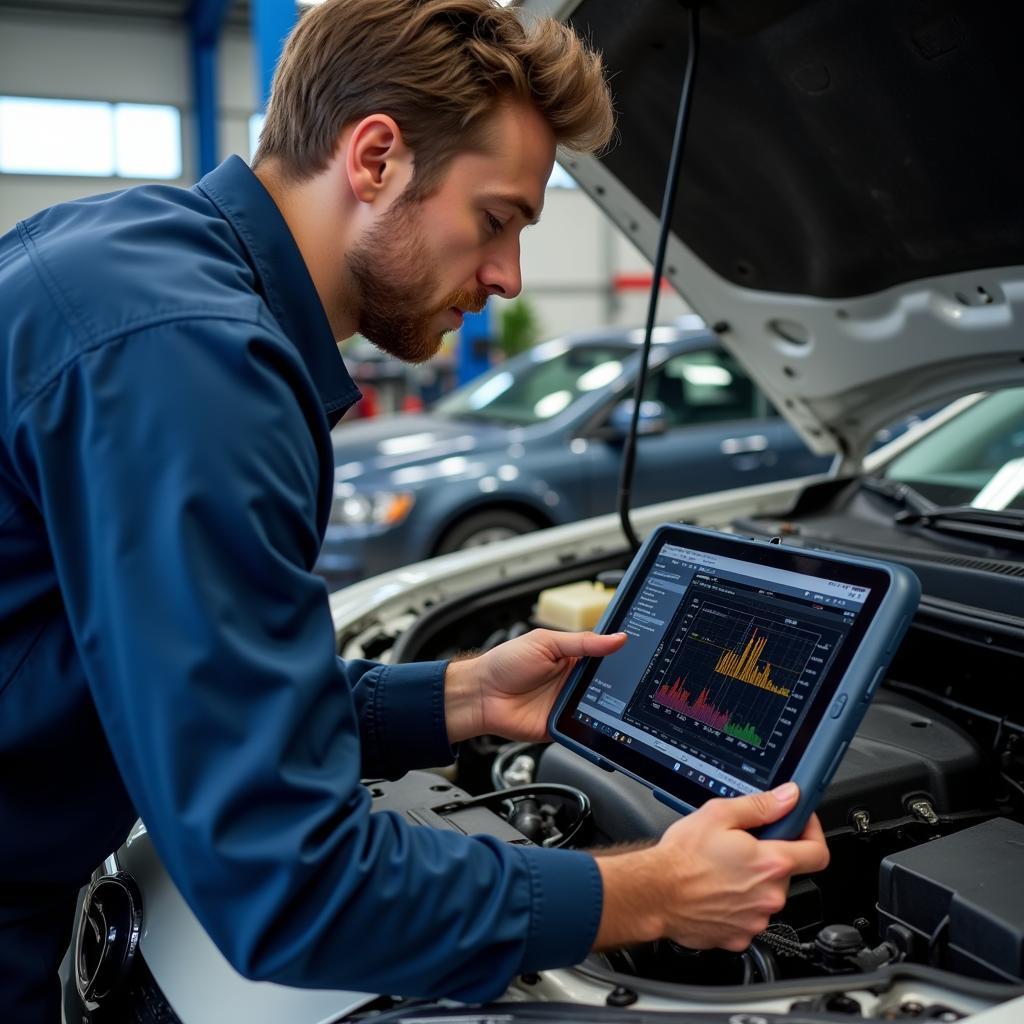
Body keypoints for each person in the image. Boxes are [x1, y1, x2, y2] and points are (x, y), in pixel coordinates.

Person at [0, 0, 829, 1018]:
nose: (505, 276)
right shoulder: (193, 366)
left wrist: (462, 697)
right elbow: (286, 885)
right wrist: (651, 892)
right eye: (496, 219)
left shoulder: (137, 254)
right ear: (376, 158)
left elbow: (172, 686)